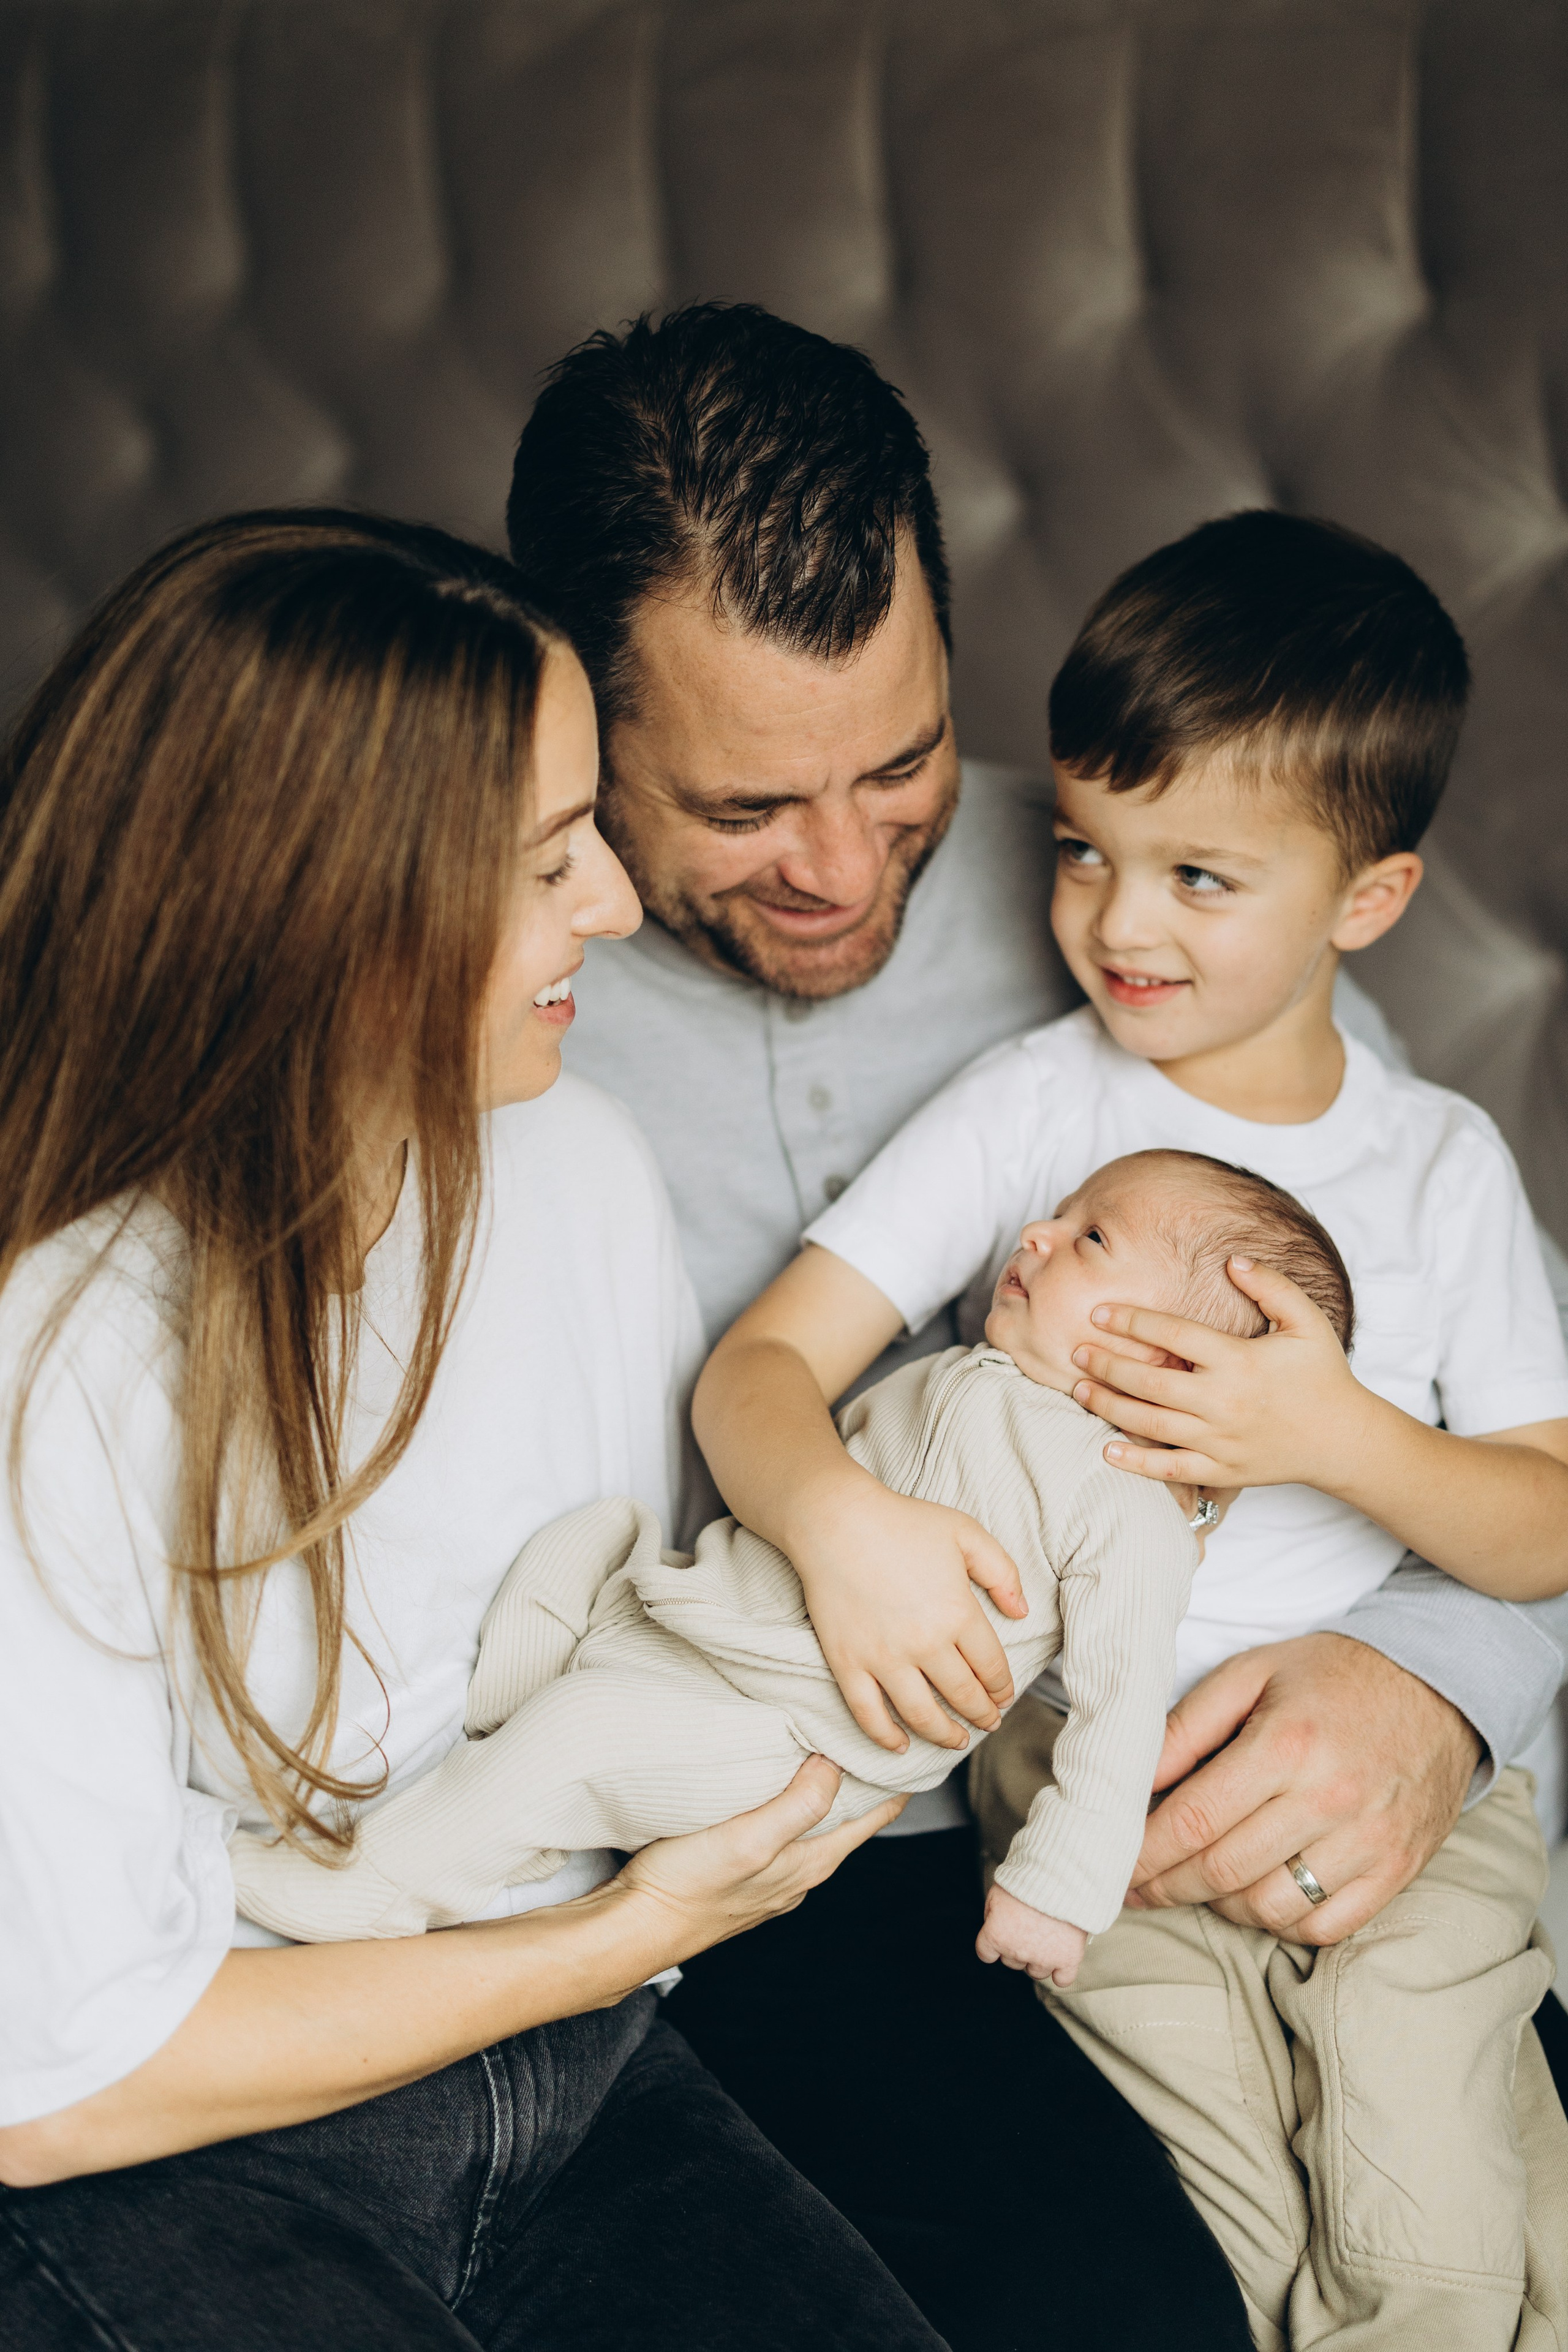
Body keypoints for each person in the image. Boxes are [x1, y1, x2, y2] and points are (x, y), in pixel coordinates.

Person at [505, 302, 1568, 2345]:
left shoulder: (1175, 882)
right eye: (744, 806)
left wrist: (1432, 1689)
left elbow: (1480, 1406)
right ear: (574, 724)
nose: (842, 868)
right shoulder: (482, 991)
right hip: (828, 1841)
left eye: (901, 762)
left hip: (1293, 1771)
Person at [0, 510, 951, 2352]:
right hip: (177, 2149)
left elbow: (636, 1649)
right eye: (543, 861)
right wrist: (615, 1941)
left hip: (583, 2076)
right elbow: (61, 2077)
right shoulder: (59, 1344)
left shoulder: (578, 1167)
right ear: (316, 911)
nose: (615, 904)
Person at [225, 1150, 1349, 1962]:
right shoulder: (965, 1374)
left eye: (1090, 1239)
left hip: (795, 1740)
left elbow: (1120, 1710)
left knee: (581, 1738)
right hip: (695, 1619)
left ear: (1180, 1359)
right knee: (586, 1538)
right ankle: (504, 1801)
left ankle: (371, 1885)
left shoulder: (1127, 1505)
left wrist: (1058, 1891)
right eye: (1057, 1215)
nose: (1038, 1235)